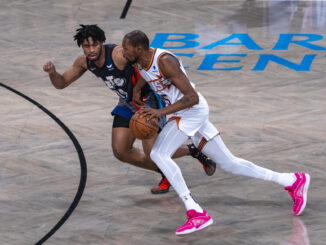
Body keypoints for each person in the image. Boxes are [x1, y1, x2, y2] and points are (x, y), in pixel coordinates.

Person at [122, 30, 311, 235]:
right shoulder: (140, 61)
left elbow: (192, 97)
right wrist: (138, 88)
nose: (123, 52)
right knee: (230, 163)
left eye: (126, 48)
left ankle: (195, 212)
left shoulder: (166, 61)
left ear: (139, 49)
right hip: (184, 113)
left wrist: (160, 112)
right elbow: (149, 75)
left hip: (190, 111)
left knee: (158, 154)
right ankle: (292, 180)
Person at [43, 24, 216, 194]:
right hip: (127, 102)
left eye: (95, 44)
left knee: (152, 154)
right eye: (87, 46)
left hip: (149, 101)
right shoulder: (85, 62)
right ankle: (168, 171)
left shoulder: (119, 55)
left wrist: (139, 88)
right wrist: (52, 73)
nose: (91, 50)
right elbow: (61, 83)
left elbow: (146, 63)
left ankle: (193, 151)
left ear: (102, 42)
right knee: (121, 151)